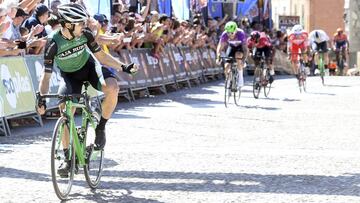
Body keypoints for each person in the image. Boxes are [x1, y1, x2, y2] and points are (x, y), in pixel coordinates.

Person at [36, 3, 138, 176]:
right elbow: (46, 76)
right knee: (65, 112)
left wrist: (124, 67)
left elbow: (101, 57)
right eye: (80, 23)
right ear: (68, 25)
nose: (84, 26)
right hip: (70, 77)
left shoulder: (85, 35)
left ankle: (101, 128)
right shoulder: (53, 42)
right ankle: (68, 158)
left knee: (112, 88)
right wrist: (41, 98)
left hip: (89, 68)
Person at [216, 21, 248, 89]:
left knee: (238, 56)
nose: (230, 35)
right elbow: (220, 46)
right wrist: (218, 56)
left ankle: (240, 76)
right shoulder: (224, 34)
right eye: (228, 33)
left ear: (235, 31)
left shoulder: (240, 33)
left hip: (240, 48)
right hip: (231, 47)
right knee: (227, 65)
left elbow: (245, 49)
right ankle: (228, 79)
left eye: (232, 33)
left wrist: (244, 60)